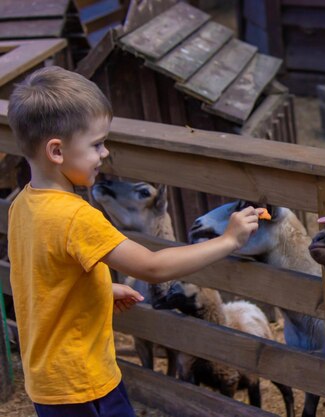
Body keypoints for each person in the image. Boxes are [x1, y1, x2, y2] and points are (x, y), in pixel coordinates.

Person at [6, 66, 263, 417]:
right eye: (96, 144)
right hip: (85, 384)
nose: (105, 153)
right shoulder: (76, 217)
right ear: (56, 151)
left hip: (50, 383)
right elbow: (152, 267)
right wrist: (229, 240)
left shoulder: (24, 204)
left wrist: (100, 291)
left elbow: (44, 280)